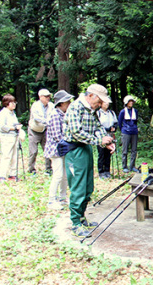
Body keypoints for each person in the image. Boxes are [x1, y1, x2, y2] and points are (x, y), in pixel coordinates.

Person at [63, 84, 115, 237]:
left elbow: (98, 127)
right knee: (78, 187)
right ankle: (75, 223)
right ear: (91, 95)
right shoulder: (75, 108)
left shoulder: (92, 110)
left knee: (87, 186)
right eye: (99, 101)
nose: (100, 105)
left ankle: (81, 216)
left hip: (86, 148)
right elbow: (76, 132)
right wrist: (98, 141)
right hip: (74, 150)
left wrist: (106, 141)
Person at [44, 90, 74, 210]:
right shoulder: (55, 115)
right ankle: (51, 200)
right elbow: (58, 136)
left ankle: (62, 197)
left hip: (63, 150)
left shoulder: (63, 114)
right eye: (67, 102)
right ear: (61, 103)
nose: (69, 104)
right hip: (55, 150)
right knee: (58, 175)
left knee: (65, 175)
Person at [28, 88, 54, 175]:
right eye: (46, 96)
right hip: (34, 130)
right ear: (40, 97)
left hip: (45, 130)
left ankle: (48, 169)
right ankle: (31, 170)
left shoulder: (51, 105)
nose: (48, 98)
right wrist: (47, 121)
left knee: (47, 150)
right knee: (33, 151)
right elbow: (36, 117)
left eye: (49, 96)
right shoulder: (35, 105)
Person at [0, 94, 23, 181]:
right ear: (7, 103)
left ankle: (13, 174)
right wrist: (14, 128)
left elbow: (14, 123)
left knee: (15, 156)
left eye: (14, 102)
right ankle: (2, 175)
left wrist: (18, 126)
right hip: (6, 137)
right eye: (12, 103)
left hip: (14, 136)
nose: (14, 104)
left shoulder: (13, 113)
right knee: (6, 156)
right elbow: (2, 127)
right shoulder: (3, 113)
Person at [118, 95, 139, 173]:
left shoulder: (135, 111)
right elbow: (119, 123)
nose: (131, 103)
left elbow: (136, 121)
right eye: (130, 101)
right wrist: (123, 130)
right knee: (125, 150)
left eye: (132, 101)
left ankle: (132, 166)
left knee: (134, 150)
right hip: (126, 132)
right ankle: (124, 166)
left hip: (134, 131)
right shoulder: (123, 111)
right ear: (126, 102)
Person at [97, 101, 118, 178]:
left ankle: (107, 170)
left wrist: (114, 127)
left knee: (108, 154)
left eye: (108, 103)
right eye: (105, 103)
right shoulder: (98, 113)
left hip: (110, 135)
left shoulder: (111, 113)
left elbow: (116, 122)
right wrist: (107, 128)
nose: (107, 104)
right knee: (101, 154)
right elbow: (98, 125)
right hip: (101, 136)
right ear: (101, 104)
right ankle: (101, 172)